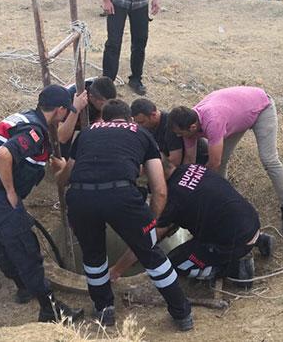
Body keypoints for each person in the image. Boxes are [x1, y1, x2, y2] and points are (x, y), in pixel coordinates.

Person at [58, 99, 194, 331]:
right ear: (129, 119)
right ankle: (182, 314)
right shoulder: (141, 133)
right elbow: (160, 189)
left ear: (104, 119)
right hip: (122, 197)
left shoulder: (86, 133)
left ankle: (105, 310)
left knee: (93, 257)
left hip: (81, 197)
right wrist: (151, 221)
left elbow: (64, 178)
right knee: (152, 255)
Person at [0, 84, 83, 322]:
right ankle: (51, 311)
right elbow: (3, 155)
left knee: (3, 247)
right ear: (59, 110)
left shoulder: (29, 120)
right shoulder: (34, 131)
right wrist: (10, 192)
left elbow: (57, 138)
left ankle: (24, 288)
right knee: (27, 251)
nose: (65, 116)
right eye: (66, 111)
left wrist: (77, 110)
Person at [110, 164, 274, 284]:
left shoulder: (172, 201)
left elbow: (146, 241)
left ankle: (235, 269)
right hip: (250, 222)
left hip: (233, 242)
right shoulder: (190, 168)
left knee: (175, 264)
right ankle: (258, 240)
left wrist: (117, 270)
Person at [169, 86, 283, 234]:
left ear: (192, 127)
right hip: (238, 114)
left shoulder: (213, 121)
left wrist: (199, 188)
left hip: (261, 107)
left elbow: (214, 163)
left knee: (268, 159)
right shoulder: (189, 122)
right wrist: (184, 187)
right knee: (222, 158)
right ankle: (224, 199)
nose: (179, 137)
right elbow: (189, 160)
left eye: (181, 134)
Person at [130, 98, 209, 175]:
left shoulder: (171, 126)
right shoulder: (149, 126)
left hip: (197, 162)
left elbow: (175, 161)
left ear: (153, 115)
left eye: (142, 122)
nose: (139, 126)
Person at [58, 76, 117, 158]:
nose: (107, 108)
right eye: (104, 104)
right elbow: (62, 137)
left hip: (89, 119)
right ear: (91, 97)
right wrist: (76, 109)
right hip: (68, 118)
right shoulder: (68, 98)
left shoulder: (100, 96)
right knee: (62, 152)